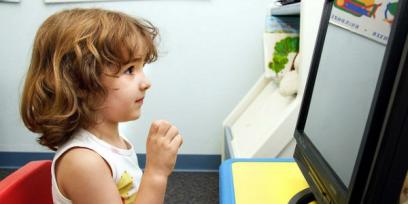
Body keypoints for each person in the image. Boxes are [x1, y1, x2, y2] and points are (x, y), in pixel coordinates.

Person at [20, 8, 183, 204]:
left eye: (142, 67)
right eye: (129, 70)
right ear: (80, 83)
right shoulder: (84, 162)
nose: (146, 82)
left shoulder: (110, 143)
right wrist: (156, 173)